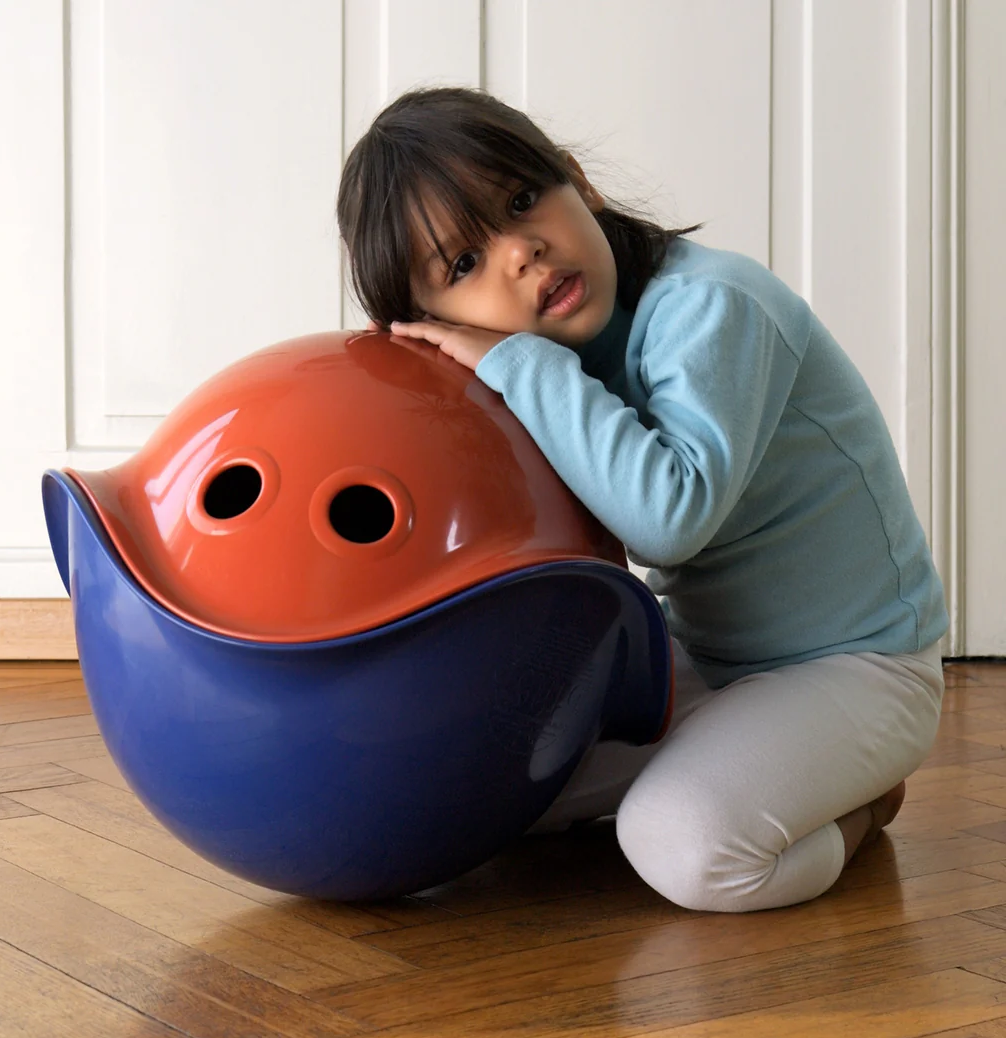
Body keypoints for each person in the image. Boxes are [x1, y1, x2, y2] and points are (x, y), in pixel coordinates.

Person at [335, 85, 949, 913]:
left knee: (682, 845)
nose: (521, 252)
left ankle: (862, 810)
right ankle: (744, 758)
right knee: (485, 785)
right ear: (435, 318)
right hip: (713, 659)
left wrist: (520, 365)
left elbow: (668, 520)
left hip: (862, 664)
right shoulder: (546, 362)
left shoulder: (711, 306)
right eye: (463, 264)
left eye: (521, 201)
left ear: (579, 181)